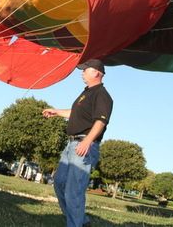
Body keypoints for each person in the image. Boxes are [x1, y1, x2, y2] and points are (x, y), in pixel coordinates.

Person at [42, 58, 113, 227]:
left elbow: (101, 121)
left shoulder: (102, 95)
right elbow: (76, 113)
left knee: (74, 190)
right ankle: (81, 222)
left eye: (85, 69)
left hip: (83, 145)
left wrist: (88, 141)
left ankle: (75, 224)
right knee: (59, 183)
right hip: (71, 145)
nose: (82, 72)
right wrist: (57, 112)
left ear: (96, 72)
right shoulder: (86, 93)